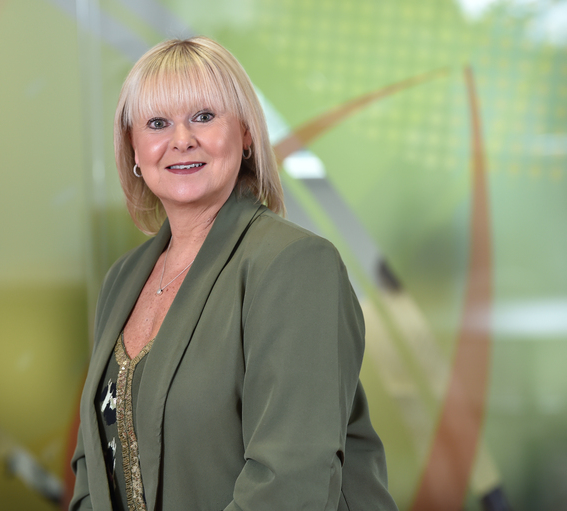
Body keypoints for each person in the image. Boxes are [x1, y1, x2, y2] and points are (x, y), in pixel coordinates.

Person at [70, 36, 398, 511]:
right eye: (158, 123)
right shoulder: (123, 280)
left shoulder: (296, 265)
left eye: (203, 116)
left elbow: (290, 482)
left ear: (245, 134)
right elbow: (93, 470)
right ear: (134, 149)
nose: (182, 139)